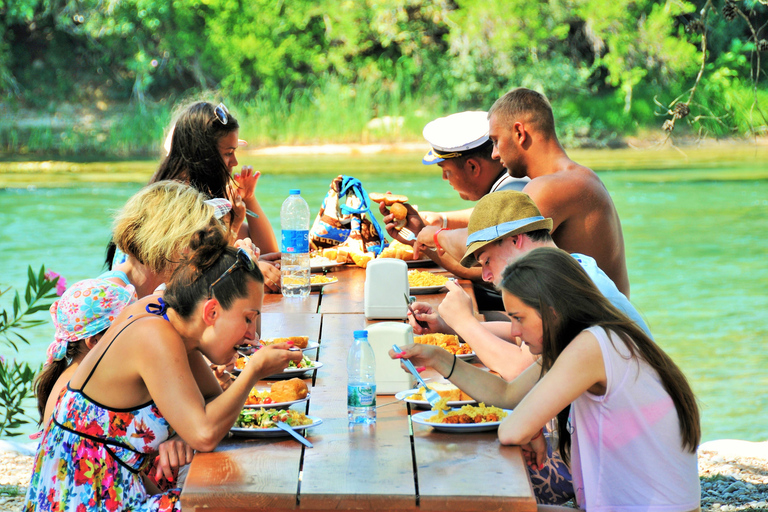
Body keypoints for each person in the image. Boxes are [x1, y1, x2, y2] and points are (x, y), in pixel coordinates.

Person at [391, 247, 701, 512]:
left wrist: (530, 426)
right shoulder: (591, 336)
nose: (514, 332)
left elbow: (511, 430)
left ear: (552, 311)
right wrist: (438, 358)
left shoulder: (593, 345)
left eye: (518, 318)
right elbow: (508, 393)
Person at [25, 226, 303, 511]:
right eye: (247, 319)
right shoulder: (156, 336)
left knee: (246, 489)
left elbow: (208, 402)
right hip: (80, 496)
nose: (251, 336)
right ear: (211, 312)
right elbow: (205, 434)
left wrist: (181, 433)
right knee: (241, 499)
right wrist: (253, 371)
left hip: (112, 485)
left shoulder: (168, 316)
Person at [407, 191, 651, 382]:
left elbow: (520, 371)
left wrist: (465, 323)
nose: (487, 275)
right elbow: (520, 338)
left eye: (487, 261)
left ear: (516, 239)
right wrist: (447, 326)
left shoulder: (562, 287)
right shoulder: (570, 266)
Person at [414, 88, 631, 298]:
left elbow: (485, 250)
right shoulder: (575, 177)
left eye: (496, 141)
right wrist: (432, 228)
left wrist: (433, 235)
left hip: (594, 333)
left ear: (519, 132)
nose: (495, 154)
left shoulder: (551, 187)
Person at [380, 110, 528, 281]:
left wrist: (425, 238)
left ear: (473, 167)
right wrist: (436, 222)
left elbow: (481, 272)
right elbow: (485, 216)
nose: (444, 178)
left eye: (447, 171)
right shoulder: (512, 181)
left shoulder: (510, 193)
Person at [150, 101, 281, 291]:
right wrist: (245, 266)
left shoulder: (206, 197)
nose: (235, 162)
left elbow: (271, 253)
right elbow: (188, 281)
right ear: (202, 154)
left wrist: (249, 199)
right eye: (229, 153)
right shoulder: (173, 201)